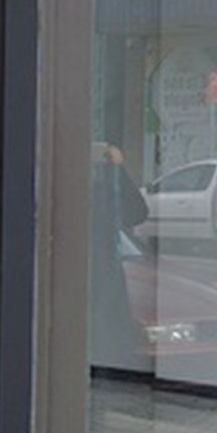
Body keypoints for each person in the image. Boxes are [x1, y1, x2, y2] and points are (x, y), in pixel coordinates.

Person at [89, 142, 149, 360]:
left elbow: (137, 211)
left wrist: (117, 172)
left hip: (104, 271)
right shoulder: (91, 195)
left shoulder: (103, 193)